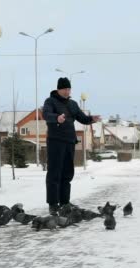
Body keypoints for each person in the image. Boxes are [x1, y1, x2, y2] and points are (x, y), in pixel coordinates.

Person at [43, 77, 100, 215]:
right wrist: (57, 118)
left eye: (69, 89)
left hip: (69, 141)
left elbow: (82, 118)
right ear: (58, 89)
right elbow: (46, 114)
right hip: (56, 141)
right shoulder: (50, 101)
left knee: (67, 173)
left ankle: (65, 202)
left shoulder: (73, 104)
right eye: (65, 89)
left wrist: (92, 119)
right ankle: (53, 204)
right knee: (54, 173)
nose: (67, 91)